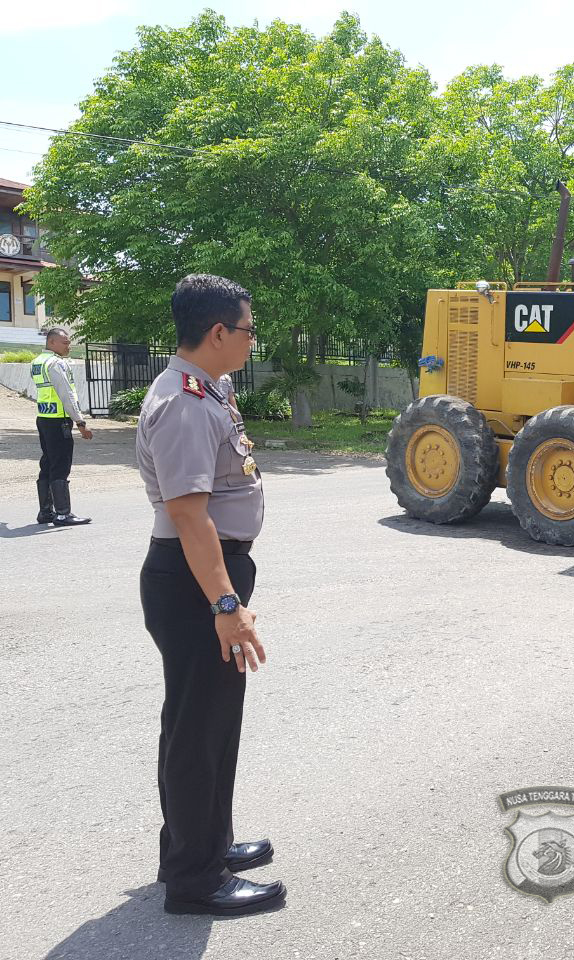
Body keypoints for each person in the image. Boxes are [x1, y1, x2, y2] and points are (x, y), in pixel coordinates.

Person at [136, 274, 284, 917]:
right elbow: (191, 518)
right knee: (198, 730)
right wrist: (226, 606)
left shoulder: (209, 387)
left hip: (210, 573)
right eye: (249, 329)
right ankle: (195, 881)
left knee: (209, 724)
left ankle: (205, 846)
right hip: (198, 579)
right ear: (218, 333)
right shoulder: (185, 404)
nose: (254, 340)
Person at [31, 326, 93, 525]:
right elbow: (66, 395)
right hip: (59, 421)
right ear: (52, 343)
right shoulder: (56, 363)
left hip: (43, 418)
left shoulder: (38, 362)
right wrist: (80, 422)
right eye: (65, 342)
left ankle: (46, 512)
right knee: (61, 465)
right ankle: (63, 514)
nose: (69, 346)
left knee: (47, 463)